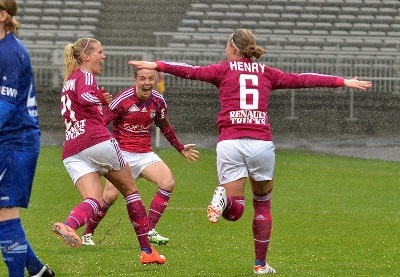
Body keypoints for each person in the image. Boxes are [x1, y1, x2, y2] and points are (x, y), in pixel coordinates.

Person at [128, 28, 372, 275]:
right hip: (260, 144)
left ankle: (223, 199)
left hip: (230, 143)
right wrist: (343, 81)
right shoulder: (267, 73)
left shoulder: (223, 70)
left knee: (235, 211)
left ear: (233, 48)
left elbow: (190, 71)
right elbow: (302, 79)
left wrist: (157, 65)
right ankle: (260, 264)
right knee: (262, 203)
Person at [53, 37, 166, 265]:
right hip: (96, 140)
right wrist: (97, 97)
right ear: (86, 56)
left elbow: (79, 101)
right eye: (100, 52)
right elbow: (85, 97)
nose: (103, 56)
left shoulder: (69, 81)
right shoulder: (85, 74)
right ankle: (147, 251)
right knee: (131, 190)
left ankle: (70, 225)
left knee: (94, 198)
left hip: (72, 148)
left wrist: (99, 101)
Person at [81, 67, 199, 246]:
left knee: (168, 182)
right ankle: (87, 233)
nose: (147, 83)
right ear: (135, 80)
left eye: (151, 79)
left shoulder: (158, 100)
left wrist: (180, 147)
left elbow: (164, 126)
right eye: (143, 79)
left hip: (144, 154)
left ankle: (148, 230)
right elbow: (101, 123)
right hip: (121, 155)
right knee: (109, 197)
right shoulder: (123, 99)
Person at [0, 1, 56, 276]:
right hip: (10, 140)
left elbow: (6, 105)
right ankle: (36, 270)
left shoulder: (9, 52)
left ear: (2, 15)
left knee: (6, 213)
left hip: (15, 141)